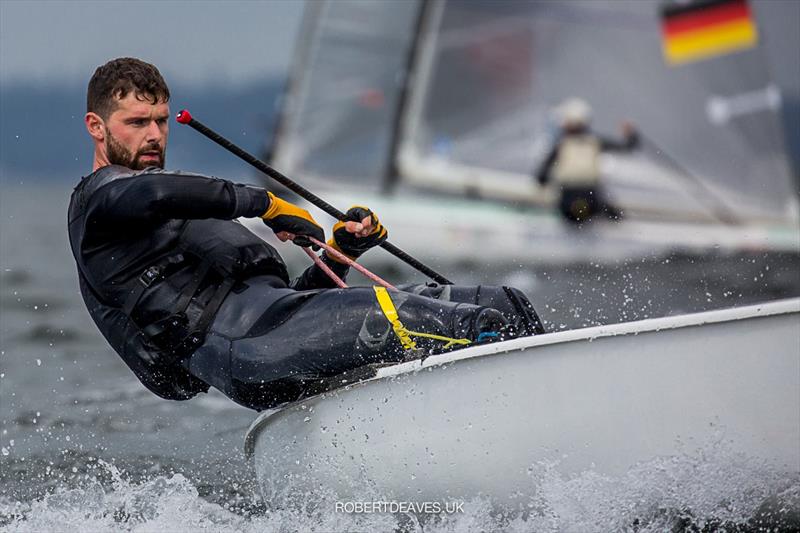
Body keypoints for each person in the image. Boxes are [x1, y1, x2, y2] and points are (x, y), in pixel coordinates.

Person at [68, 58, 544, 411]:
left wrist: (340, 251)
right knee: (466, 325)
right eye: (136, 123)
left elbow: (288, 308)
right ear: (96, 127)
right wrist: (268, 204)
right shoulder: (100, 205)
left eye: (161, 121)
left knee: (503, 304)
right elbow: (150, 193)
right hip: (249, 354)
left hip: (277, 332)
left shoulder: (180, 214)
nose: (154, 135)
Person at [535, 98, 639, 224]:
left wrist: (549, 182)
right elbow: (628, 147)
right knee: (609, 209)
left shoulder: (561, 146)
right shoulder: (595, 142)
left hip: (567, 207)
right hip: (592, 204)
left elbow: (540, 178)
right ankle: (623, 222)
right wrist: (631, 133)